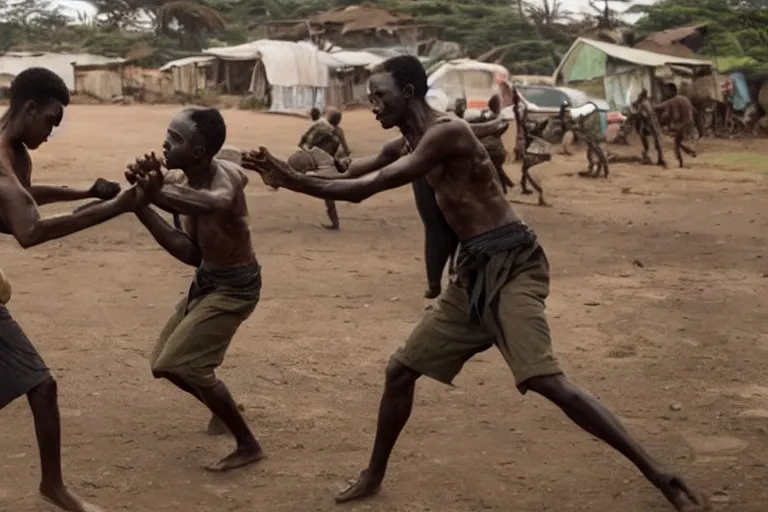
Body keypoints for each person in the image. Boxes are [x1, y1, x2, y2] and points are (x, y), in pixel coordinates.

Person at [241, 55, 703, 511]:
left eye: (379, 96)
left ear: (409, 93)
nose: (373, 105)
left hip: (513, 263)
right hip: (472, 273)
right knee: (400, 372)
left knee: (547, 380)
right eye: (369, 97)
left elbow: (366, 189)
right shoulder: (405, 143)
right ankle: (373, 475)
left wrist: (293, 181)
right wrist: (285, 169)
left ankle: (660, 474)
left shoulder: (447, 133)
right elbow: (348, 171)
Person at [0, 67, 139, 512]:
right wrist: (115, 207)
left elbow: (22, 197)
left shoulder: (16, 153)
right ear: (31, 107)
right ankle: (54, 487)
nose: (52, 131)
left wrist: (84, 190)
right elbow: (29, 229)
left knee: (41, 387)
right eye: (52, 121)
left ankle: (53, 485)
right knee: (41, 384)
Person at [126, 107, 264, 473]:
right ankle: (224, 409)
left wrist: (156, 194)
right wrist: (142, 204)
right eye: (168, 134)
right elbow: (189, 252)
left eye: (177, 138)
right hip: (206, 279)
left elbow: (216, 202)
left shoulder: (226, 177)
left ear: (200, 152)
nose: (165, 143)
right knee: (164, 366)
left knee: (181, 363)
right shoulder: (177, 181)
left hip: (236, 286)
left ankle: (248, 444)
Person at [296, 108, 351, 229]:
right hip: (327, 164)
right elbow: (347, 151)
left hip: (316, 161)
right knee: (328, 194)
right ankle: (335, 222)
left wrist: (308, 151)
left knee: (297, 172)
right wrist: (336, 158)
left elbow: (303, 141)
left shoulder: (319, 126)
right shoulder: (338, 132)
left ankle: (277, 182)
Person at [659, 94, 697, 168]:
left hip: (683, 124)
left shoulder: (672, 102)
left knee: (676, 143)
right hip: (690, 122)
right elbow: (694, 111)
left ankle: (681, 162)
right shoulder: (684, 98)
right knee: (679, 142)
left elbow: (676, 116)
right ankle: (690, 151)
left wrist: (667, 121)